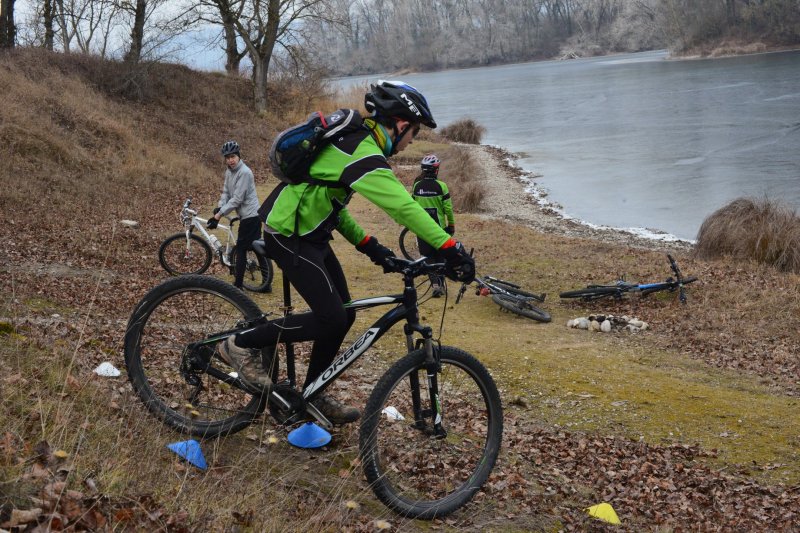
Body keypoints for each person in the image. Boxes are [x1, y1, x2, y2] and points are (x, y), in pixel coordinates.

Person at [218, 80, 475, 425]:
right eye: (413, 133)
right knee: (332, 317)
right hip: (288, 234)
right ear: (400, 125)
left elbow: (332, 206)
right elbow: (403, 207)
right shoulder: (362, 150)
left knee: (346, 314)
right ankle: (240, 343)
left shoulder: (358, 144)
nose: (411, 141)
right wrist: (450, 246)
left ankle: (312, 393)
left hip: (312, 235)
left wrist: (374, 248)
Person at [207, 141, 264, 291]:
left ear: (238, 156)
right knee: (256, 247)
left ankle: (239, 285)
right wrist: (220, 206)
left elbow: (238, 198)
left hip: (251, 216)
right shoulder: (229, 172)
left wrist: (219, 215)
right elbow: (226, 192)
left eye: (233, 156)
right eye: (228, 157)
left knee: (241, 249)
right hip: (246, 216)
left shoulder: (244, 172)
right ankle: (266, 283)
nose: (230, 160)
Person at [412, 154, 455, 297]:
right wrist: (452, 225)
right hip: (439, 228)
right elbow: (448, 209)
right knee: (440, 257)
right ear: (436, 170)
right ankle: (441, 284)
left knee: (427, 257)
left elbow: (412, 206)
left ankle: (435, 284)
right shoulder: (441, 186)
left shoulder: (417, 186)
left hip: (422, 228)